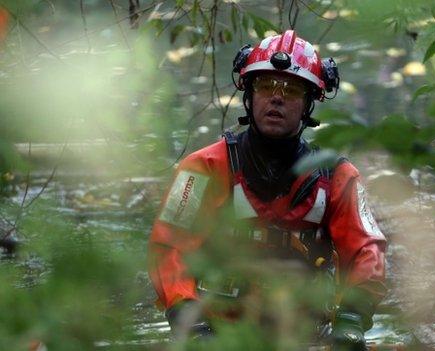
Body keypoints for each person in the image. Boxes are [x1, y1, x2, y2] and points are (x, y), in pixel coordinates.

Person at [148, 30, 386, 350]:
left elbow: (366, 252)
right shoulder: (202, 169)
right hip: (215, 331)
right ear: (249, 95)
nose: (276, 97)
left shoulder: (338, 178)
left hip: (305, 334)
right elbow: (168, 247)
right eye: (265, 85)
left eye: (291, 89)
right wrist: (191, 322)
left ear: (308, 103)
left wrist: (351, 322)